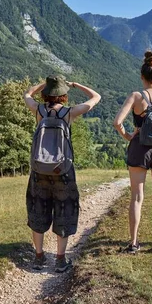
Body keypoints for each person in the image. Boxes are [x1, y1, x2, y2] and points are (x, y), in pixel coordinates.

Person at [23, 75, 101, 272]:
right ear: (64, 95)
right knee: (64, 209)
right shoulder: (69, 113)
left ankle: (39, 257)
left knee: (38, 209)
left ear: (45, 94)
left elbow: (27, 94)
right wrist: (75, 84)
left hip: (39, 169)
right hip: (63, 170)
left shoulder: (38, 110)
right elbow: (96, 97)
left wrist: (42, 84)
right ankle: (60, 260)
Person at [113, 51, 152, 257]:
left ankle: (133, 243)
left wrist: (129, 136)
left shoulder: (136, 96)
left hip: (139, 148)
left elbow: (117, 122)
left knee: (137, 198)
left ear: (141, 76)